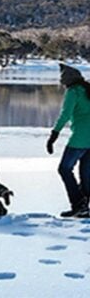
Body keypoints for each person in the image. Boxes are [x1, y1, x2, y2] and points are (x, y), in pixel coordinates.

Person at [47, 63, 90, 217]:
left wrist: (53, 135)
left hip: (80, 139)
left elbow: (65, 115)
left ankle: (78, 204)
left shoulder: (74, 92)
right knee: (86, 175)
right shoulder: (87, 90)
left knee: (64, 169)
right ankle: (84, 207)